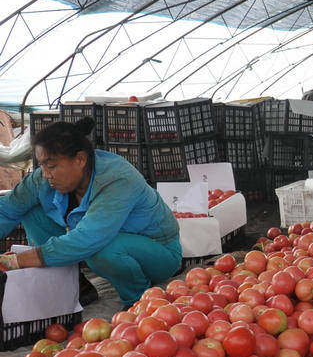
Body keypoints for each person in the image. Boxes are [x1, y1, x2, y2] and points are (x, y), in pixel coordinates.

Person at [0, 118, 181, 307]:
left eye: (51, 166)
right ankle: (72, 285)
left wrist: (17, 261)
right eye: (42, 165)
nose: (45, 174)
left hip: (158, 251)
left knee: (101, 250)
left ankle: (140, 301)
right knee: (31, 211)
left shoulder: (117, 179)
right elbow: (7, 209)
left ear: (80, 160)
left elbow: (88, 239)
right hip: (98, 245)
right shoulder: (42, 180)